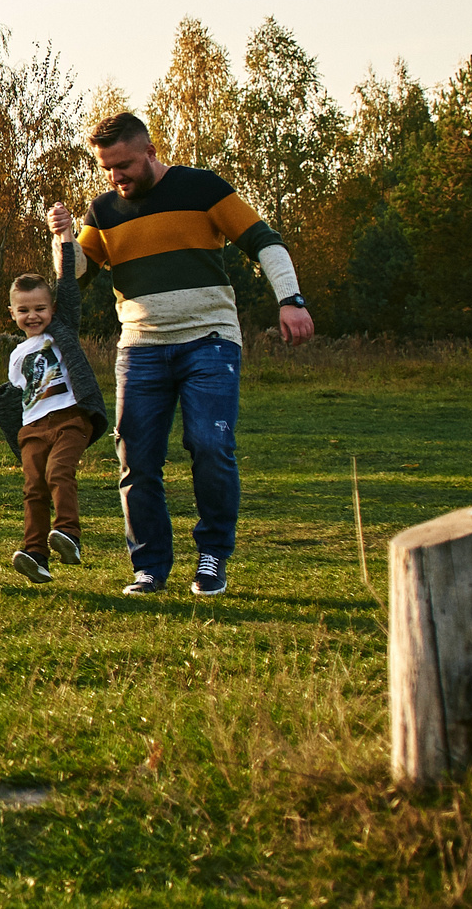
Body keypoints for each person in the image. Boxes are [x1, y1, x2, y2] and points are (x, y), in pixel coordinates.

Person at [61, 110, 315, 598]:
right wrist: (63, 240)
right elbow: (72, 279)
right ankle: (149, 567)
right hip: (141, 348)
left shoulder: (203, 189)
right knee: (135, 459)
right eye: (107, 168)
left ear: (151, 153)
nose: (116, 177)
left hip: (210, 340)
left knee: (210, 445)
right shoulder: (103, 211)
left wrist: (291, 299)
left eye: (124, 165)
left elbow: (264, 240)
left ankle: (212, 557)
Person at [0, 257, 109, 586]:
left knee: (59, 473)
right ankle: (35, 554)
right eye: (24, 310)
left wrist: (63, 238)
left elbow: (70, 289)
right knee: (34, 488)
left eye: (40, 309)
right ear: (13, 314)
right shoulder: (16, 355)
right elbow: (13, 399)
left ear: (53, 309)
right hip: (33, 427)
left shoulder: (62, 332)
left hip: (70, 417)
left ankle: (68, 534)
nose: (32, 316)